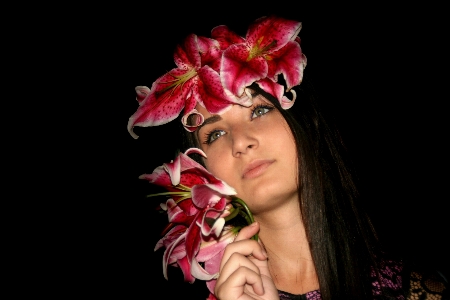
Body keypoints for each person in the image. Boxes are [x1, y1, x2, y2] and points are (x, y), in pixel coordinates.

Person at [127, 15, 448, 300]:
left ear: (306, 124)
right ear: (201, 170)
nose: (241, 142)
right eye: (215, 134)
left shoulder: (420, 290)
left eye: (260, 110)